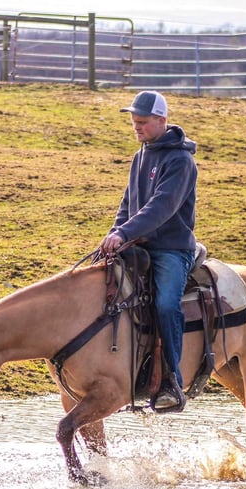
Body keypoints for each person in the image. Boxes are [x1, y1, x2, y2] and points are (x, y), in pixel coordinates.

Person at [100, 90, 198, 413]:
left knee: (167, 304)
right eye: (133, 122)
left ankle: (172, 379)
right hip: (137, 244)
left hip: (171, 249)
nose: (136, 127)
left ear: (161, 121)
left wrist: (126, 232)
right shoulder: (140, 155)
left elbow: (162, 207)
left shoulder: (181, 161)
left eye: (142, 122)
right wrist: (115, 232)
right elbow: (129, 203)